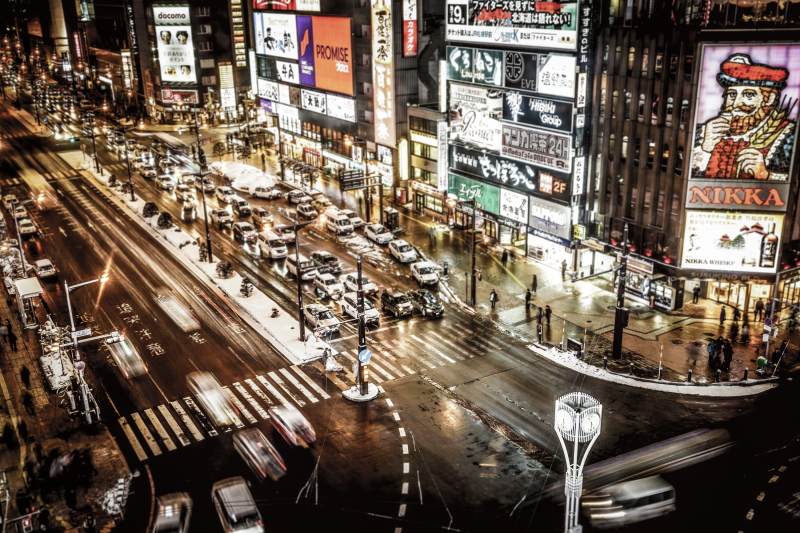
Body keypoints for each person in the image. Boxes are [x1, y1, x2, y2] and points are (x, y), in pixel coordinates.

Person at [692, 53, 794, 181]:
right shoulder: (702, 132)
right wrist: (705, 149)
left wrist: (766, 175)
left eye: (749, 95)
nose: (736, 103)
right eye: (732, 95)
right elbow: (683, 175)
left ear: (769, 99)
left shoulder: (789, 135)